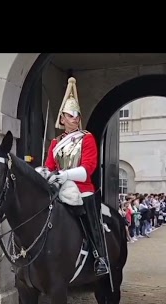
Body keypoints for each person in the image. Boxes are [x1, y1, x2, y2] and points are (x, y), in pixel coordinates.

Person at [44, 77, 109, 276]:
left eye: (77, 115)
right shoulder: (55, 143)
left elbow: (87, 168)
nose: (75, 119)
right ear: (62, 118)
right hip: (60, 187)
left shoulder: (87, 138)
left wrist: (64, 175)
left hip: (82, 189)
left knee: (91, 218)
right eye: (70, 115)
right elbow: (49, 166)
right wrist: (47, 176)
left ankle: (100, 257)